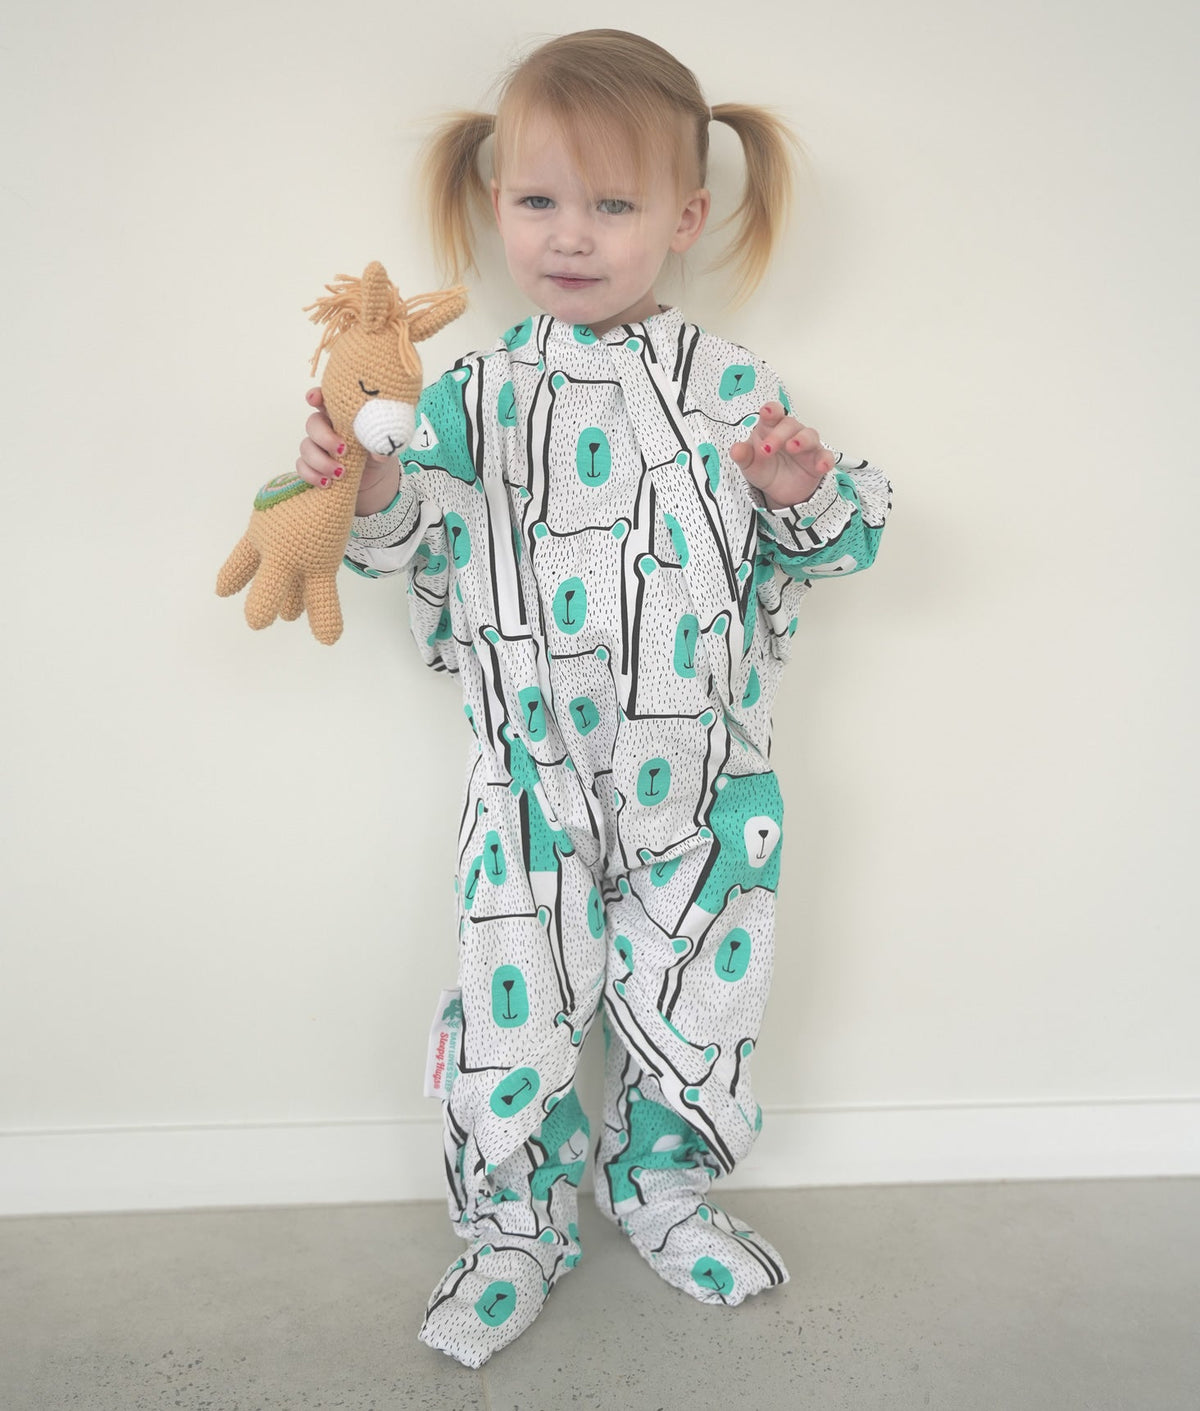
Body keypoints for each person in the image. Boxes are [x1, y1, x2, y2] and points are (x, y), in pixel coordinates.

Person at [294, 28, 892, 1369]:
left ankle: (668, 1191)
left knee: (699, 996)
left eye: (612, 206)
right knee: (515, 1002)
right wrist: (365, 479)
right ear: (497, 202)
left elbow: (834, 543)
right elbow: (394, 542)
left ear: (682, 219)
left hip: (704, 778)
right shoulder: (472, 398)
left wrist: (797, 495)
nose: (571, 236)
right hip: (530, 782)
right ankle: (512, 1229)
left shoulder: (731, 391)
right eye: (539, 202)